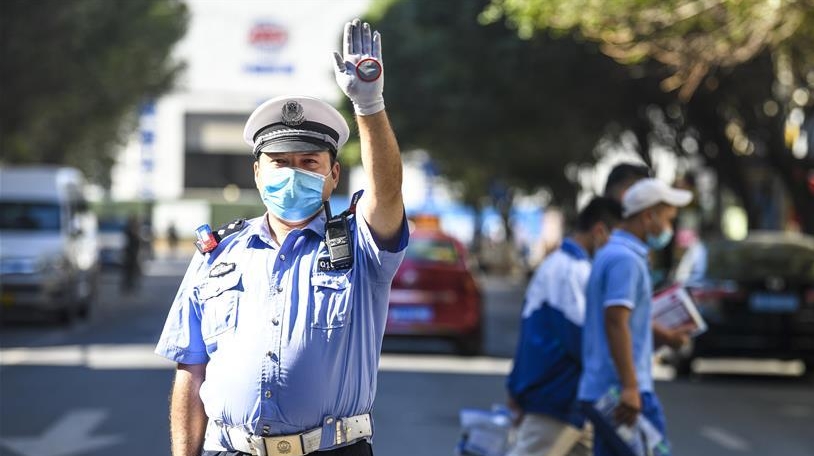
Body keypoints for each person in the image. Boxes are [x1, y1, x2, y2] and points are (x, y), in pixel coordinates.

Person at [155, 19, 407, 456]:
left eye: (309, 162)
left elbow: (387, 193)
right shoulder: (217, 254)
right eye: (280, 161)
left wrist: (369, 104)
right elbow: (191, 371)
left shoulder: (361, 246)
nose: (293, 173)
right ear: (257, 173)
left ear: (333, 175)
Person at [577, 179, 692, 456]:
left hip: (603, 389)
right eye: (668, 219)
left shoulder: (613, 253)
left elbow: (625, 320)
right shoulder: (625, 260)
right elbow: (615, 321)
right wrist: (630, 386)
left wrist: (666, 336)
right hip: (620, 392)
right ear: (648, 216)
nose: (670, 228)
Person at [507, 197, 623, 456]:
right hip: (557, 397)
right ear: (599, 231)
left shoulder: (560, 266)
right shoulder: (571, 271)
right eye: (618, 240)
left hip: (567, 399)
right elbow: (585, 341)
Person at [122, 214, 142, 293]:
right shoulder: (129, 233)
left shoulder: (135, 234)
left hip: (133, 256)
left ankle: (131, 286)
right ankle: (127, 286)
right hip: (129, 256)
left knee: (133, 272)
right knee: (128, 273)